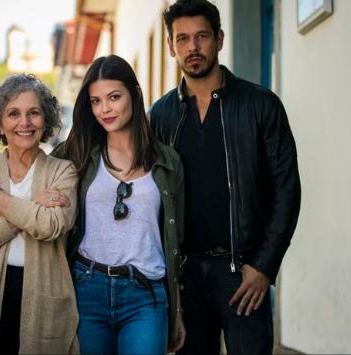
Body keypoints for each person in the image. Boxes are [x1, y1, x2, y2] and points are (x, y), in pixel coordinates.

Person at [148, 0, 302, 354]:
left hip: (243, 273)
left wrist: (264, 267)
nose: (193, 47)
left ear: (219, 39)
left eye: (201, 36)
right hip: (185, 277)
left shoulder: (261, 105)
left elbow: (286, 190)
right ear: (171, 46)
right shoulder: (162, 114)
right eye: (182, 39)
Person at [52, 54, 186, 354]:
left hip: (146, 294)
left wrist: (177, 311)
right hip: (87, 288)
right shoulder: (74, 154)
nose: (104, 109)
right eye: (96, 101)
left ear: (135, 95)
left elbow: (177, 241)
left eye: (114, 97)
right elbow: (37, 188)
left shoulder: (168, 162)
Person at [0, 73, 79, 354]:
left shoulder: (63, 171)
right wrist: (31, 203)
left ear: (45, 120)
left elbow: (50, 226)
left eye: (33, 113)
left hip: (43, 297)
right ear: (0, 122)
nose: (24, 123)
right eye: (13, 114)